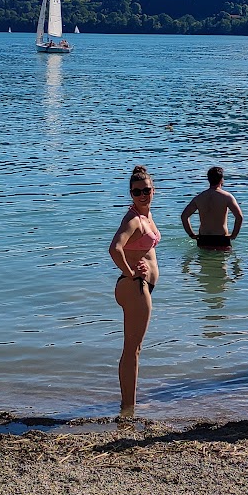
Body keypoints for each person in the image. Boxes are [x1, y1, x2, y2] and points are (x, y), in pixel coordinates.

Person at [108, 166, 160, 418]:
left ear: (153, 190)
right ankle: (128, 407)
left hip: (138, 286)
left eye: (146, 190)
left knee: (134, 349)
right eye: (136, 192)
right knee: (132, 350)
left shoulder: (146, 216)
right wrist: (131, 273)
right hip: (133, 287)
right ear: (130, 194)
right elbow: (115, 248)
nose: (142, 195)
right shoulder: (133, 219)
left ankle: (129, 403)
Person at [181, 166, 244, 250]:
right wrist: (234, 235)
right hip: (221, 238)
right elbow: (239, 217)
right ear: (221, 179)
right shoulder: (227, 197)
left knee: (203, 262)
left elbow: (184, 216)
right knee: (221, 262)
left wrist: (191, 234)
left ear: (208, 179)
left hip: (203, 239)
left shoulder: (199, 197)